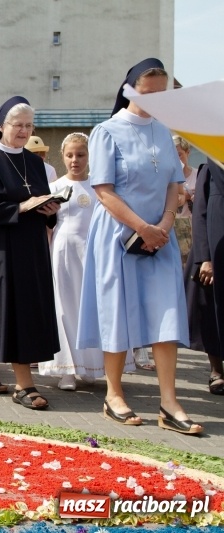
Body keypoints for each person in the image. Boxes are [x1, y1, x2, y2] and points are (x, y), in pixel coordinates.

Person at [77, 58, 201, 435]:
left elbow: (173, 184)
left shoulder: (164, 132)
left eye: (162, 94)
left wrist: (163, 224)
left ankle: (169, 403)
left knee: (166, 314)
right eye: (149, 93)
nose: (156, 100)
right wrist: (141, 227)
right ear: (130, 90)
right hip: (118, 233)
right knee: (117, 310)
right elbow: (103, 190)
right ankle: (114, 395)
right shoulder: (107, 130)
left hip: (158, 236)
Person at [0, 96, 61, 410]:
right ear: (2, 126)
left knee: (19, 311)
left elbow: (43, 204)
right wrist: (20, 207)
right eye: (17, 125)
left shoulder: (34, 162)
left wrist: (48, 210)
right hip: (1, 250)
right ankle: (25, 386)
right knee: (13, 311)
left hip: (31, 247)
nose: (23, 131)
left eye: (28, 125)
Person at [38, 133, 135, 389]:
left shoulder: (100, 188)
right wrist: (49, 215)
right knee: (65, 309)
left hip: (94, 253)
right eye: (70, 155)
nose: (75, 160)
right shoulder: (54, 187)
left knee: (91, 309)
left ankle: (92, 365)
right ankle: (67, 369)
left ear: (89, 156)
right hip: (63, 252)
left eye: (80, 155)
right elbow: (47, 226)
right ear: (63, 157)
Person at [184, 161, 223, 396]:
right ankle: (216, 370)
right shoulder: (210, 168)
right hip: (215, 256)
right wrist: (204, 258)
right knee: (212, 313)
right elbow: (199, 214)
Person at [173, 135, 196, 266]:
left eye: (180, 155)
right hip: (174, 228)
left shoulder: (199, 175)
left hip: (194, 228)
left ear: (188, 153)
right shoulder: (167, 179)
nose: (177, 159)